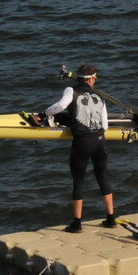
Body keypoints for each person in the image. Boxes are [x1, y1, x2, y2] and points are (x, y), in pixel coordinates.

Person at [44, 64, 117, 233]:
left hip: (82, 143)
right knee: (102, 177)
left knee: (78, 182)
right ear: (91, 79)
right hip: (99, 141)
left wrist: (45, 113)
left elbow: (60, 106)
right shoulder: (100, 95)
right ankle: (111, 219)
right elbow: (104, 125)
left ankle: (77, 223)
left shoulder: (71, 90)